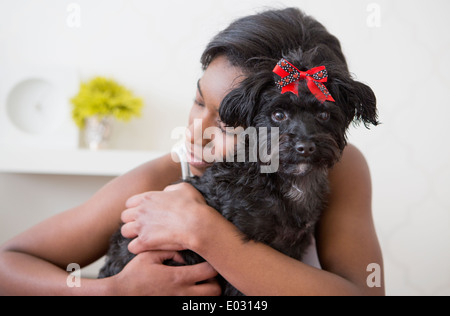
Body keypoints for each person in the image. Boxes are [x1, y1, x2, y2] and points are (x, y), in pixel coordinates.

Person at [0, 8, 384, 296]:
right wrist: (111, 291)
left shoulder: (337, 165)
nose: (196, 133)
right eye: (199, 102)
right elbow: (9, 263)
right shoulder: (165, 176)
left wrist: (206, 232)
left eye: (228, 123)